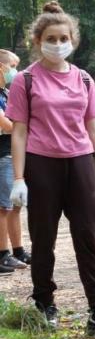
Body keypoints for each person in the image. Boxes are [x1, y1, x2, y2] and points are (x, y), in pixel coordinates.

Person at [6, 0, 95, 333]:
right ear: (38, 40)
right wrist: (18, 177)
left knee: (88, 235)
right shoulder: (25, 81)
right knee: (44, 239)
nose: (58, 44)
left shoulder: (84, 80)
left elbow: (93, 129)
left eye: (63, 38)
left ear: (73, 39)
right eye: (51, 38)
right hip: (42, 165)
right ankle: (45, 302)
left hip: (80, 162)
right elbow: (20, 132)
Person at [0, 50, 30, 273]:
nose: (15, 70)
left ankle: (18, 250)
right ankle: (3, 254)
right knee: (3, 208)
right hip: (3, 156)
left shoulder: (6, 92)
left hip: (14, 154)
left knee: (15, 207)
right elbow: (10, 125)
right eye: (12, 65)